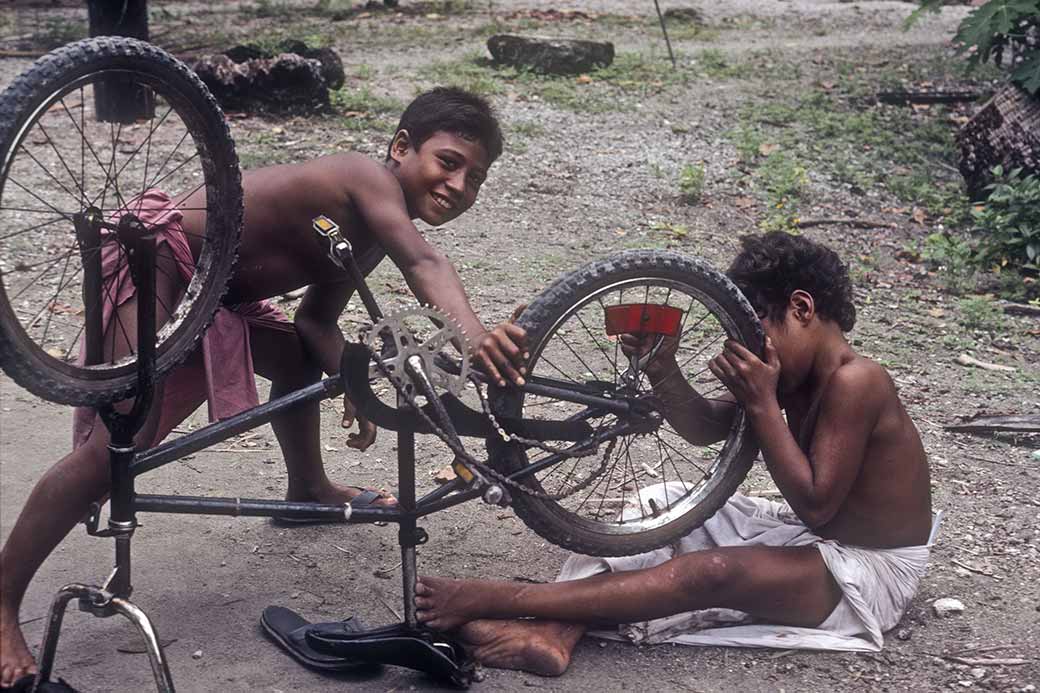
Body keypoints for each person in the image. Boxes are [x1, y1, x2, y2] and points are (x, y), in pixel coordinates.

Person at [0, 87, 527, 688]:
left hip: (216, 296)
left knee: (301, 357)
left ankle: (309, 487)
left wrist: (352, 380)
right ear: (401, 147)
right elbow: (427, 264)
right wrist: (474, 334)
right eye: (449, 162)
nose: (459, 185)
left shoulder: (375, 232)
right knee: (119, 443)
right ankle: (2, 602)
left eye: (475, 178)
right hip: (162, 260)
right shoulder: (364, 178)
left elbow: (315, 324)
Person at [411, 232, 933, 676]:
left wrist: (762, 401)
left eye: (759, 330)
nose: (751, 351)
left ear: (801, 309)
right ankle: (554, 630)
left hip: (866, 573)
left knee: (711, 574)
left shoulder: (857, 381)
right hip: (816, 540)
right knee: (664, 503)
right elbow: (705, 428)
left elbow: (817, 505)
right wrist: (663, 367)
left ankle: (496, 598)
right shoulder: (787, 376)